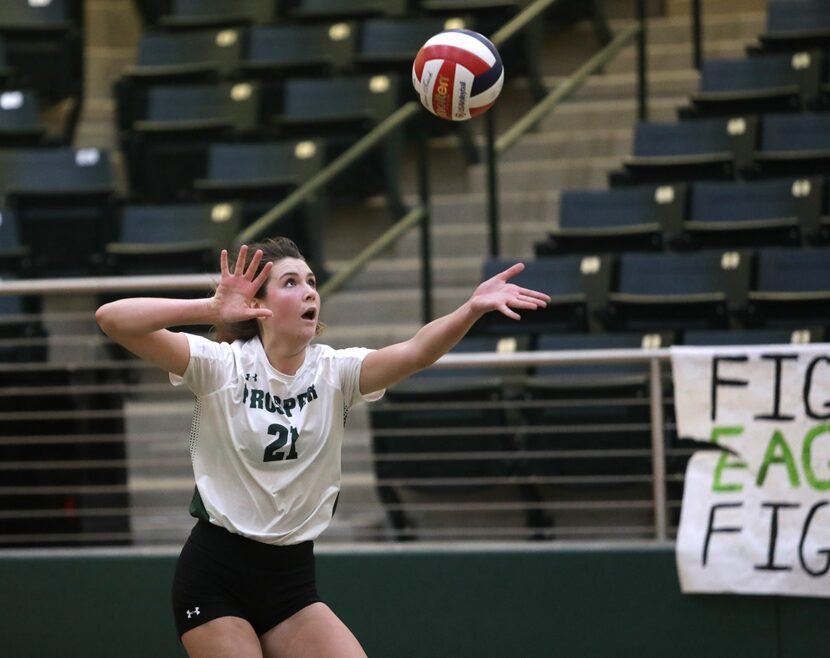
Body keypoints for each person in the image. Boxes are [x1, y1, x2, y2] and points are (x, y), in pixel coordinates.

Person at [95, 237, 550, 658]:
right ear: (259, 306)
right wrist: (212, 307)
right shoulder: (221, 366)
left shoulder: (335, 371)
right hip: (216, 575)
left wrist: (470, 308)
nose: (310, 291)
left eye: (312, 282)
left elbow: (416, 352)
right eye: (291, 283)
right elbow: (112, 319)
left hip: (290, 581)